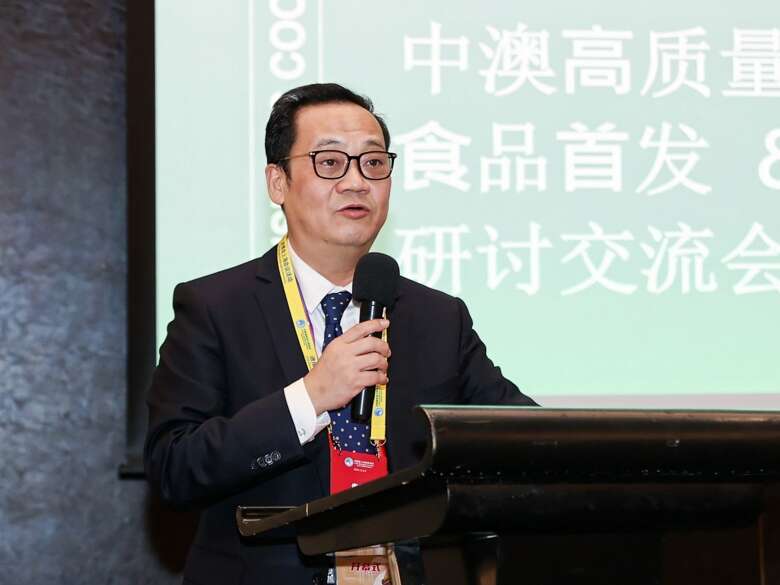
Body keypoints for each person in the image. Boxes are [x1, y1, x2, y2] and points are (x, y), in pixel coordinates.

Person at [144, 83, 536, 584]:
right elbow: (174, 468)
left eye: (373, 163)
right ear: (278, 182)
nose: (356, 183)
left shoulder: (438, 317)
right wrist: (309, 398)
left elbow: (522, 440)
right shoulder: (215, 307)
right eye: (330, 162)